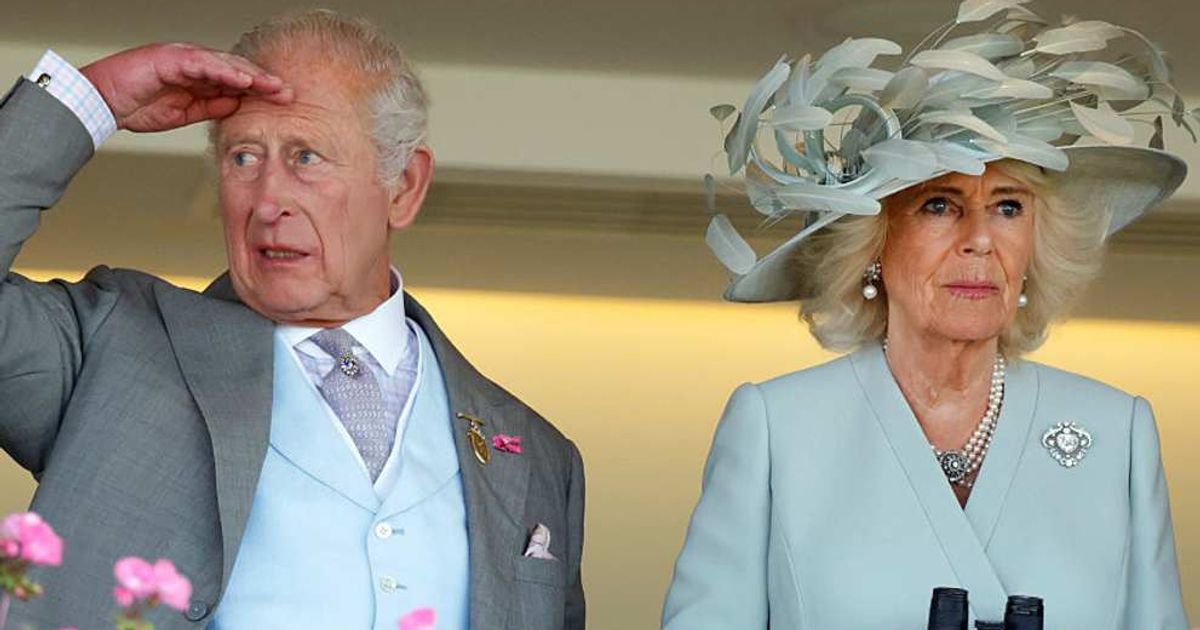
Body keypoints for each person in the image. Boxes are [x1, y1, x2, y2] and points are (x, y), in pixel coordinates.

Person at [0, 10, 584, 630]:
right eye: (244, 158)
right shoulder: (110, 344)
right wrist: (97, 98)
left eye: (306, 156)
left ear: (403, 188)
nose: (268, 200)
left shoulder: (539, 455)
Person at [663, 2, 1191, 629]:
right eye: (940, 205)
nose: (979, 240)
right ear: (873, 243)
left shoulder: (1115, 432)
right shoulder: (778, 428)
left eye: (1008, 206)